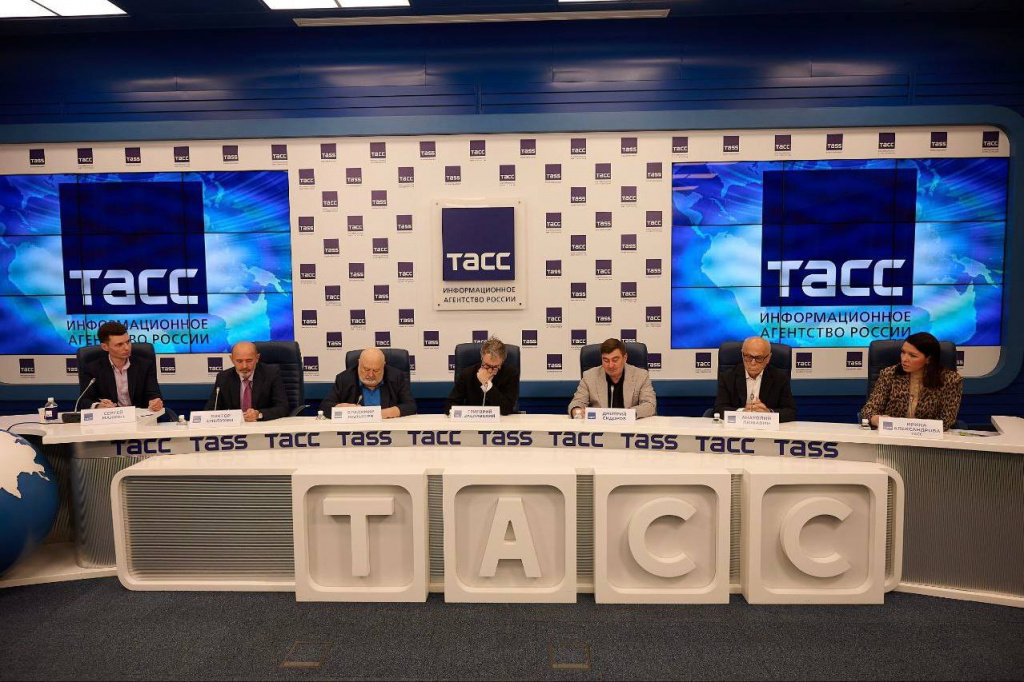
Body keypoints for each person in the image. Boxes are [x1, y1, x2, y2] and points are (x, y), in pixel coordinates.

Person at [860, 332, 963, 431]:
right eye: (903, 352)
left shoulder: (950, 380)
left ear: (928, 359)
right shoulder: (889, 374)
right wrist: (876, 419)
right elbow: (868, 410)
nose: (904, 359)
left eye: (912, 355)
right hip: (892, 435)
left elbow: (946, 420)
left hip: (929, 439)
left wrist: (914, 429)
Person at [80, 321, 164, 413]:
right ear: (105, 347)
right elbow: (84, 401)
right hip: (110, 418)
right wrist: (98, 406)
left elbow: (153, 394)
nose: (127, 348)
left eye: (128, 342)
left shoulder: (145, 365)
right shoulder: (92, 369)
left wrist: (155, 402)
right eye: (119, 345)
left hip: (141, 417)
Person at [713, 336, 797, 422]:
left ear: (768, 358)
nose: (753, 363)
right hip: (737, 427)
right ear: (742, 355)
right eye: (748, 357)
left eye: (759, 358)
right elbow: (718, 409)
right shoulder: (728, 377)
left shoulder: (780, 378)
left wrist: (769, 413)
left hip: (766, 428)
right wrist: (741, 412)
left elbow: (791, 412)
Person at [568, 338, 656, 419]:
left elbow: (650, 405)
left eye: (615, 360)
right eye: (606, 360)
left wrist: (626, 415)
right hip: (599, 427)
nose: (610, 365)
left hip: (631, 427)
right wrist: (577, 411)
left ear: (625, 358)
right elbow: (576, 403)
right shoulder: (589, 376)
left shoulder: (641, 376)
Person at [203, 341, 289, 422]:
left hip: (262, 426)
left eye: (249, 361)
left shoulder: (271, 374)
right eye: (239, 361)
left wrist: (258, 414)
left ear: (257, 358)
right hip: (235, 427)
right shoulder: (223, 378)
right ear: (232, 359)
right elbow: (211, 409)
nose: (244, 366)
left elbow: (283, 407)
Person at [320, 347, 416, 418]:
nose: (370, 375)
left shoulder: (396, 377)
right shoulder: (344, 379)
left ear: (383, 365)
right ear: (359, 363)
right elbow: (324, 407)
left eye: (376, 370)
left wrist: (380, 414)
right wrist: (342, 408)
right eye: (366, 369)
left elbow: (411, 406)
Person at [446, 337, 519, 415]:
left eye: (495, 367)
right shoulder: (467, 374)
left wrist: (487, 385)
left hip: (501, 421)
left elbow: (507, 409)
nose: (490, 370)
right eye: (486, 365)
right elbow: (450, 406)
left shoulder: (511, 374)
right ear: (482, 357)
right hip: (472, 420)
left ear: (502, 361)